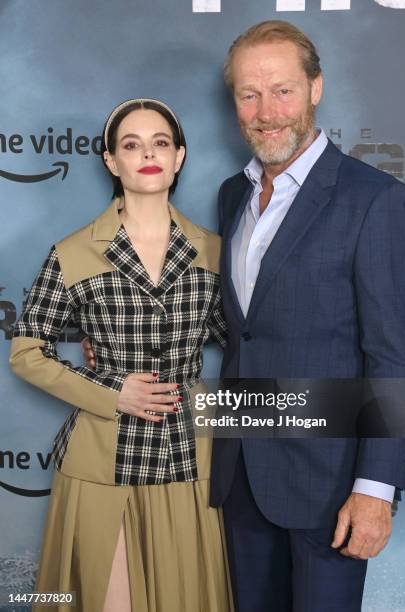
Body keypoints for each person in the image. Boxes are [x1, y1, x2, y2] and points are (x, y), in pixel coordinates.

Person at [205, 20, 405, 612]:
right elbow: (244, 329)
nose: (266, 111)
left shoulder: (375, 200)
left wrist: (375, 489)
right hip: (241, 469)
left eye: (283, 91)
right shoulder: (233, 196)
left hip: (331, 484)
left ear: (316, 88)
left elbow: (389, 355)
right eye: (249, 94)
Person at [9, 98, 233, 612]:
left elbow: (250, 343)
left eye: (160, 143)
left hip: (190, 455)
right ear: (112, 162)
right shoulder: (73, 252)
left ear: (179, 156)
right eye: (131, 145)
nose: (147, 154)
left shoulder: (217, 252)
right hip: (101, 459)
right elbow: (26, 351)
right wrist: (112, 390)